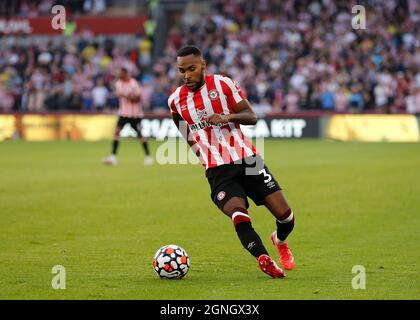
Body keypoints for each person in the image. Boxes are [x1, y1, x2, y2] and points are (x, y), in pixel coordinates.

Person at [168, 46, 295, 278]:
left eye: (192, 69)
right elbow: (184, 130)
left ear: (203, 65)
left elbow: (251, 116)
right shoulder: (175, 100)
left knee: (286, 217)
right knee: (238, 213)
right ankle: (263, 258)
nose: (187, 75)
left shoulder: (223, 84)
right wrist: (201, 155)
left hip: (248, 160)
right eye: (181, 71)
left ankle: (280, 240)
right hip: (218, 170)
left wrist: (227, 117)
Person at [103, 67, 153, 166]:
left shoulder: (134, 83)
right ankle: (113, 157)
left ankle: (148, 156)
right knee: (117, 132)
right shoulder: (118, 83)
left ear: (125, 74)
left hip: (135, 114)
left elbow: (138, 98)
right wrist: (126, 96)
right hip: (123, 113)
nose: (119, 75)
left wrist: (126, 96)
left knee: (140, 135)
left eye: (120, 73)